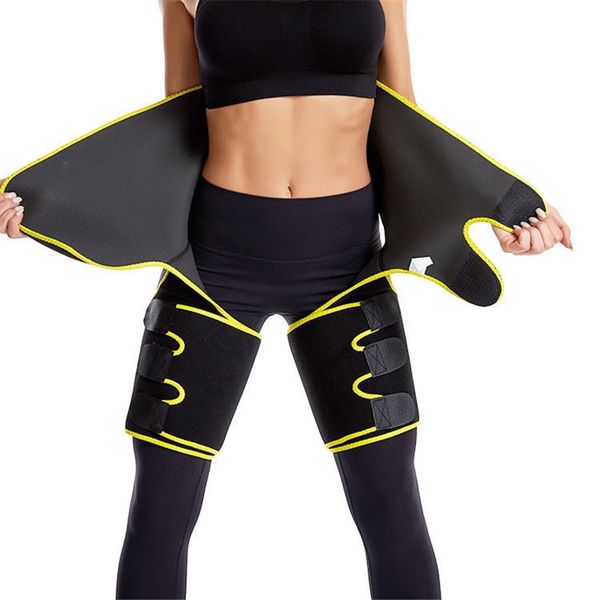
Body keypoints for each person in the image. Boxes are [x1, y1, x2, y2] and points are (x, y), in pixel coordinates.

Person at [0, 1, 573, 598]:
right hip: (214, 267)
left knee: (390, 501)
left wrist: (502, 210)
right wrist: (53, 206)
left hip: (345, 267)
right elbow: (174, 120)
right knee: (160, 507)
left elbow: (407, 121)